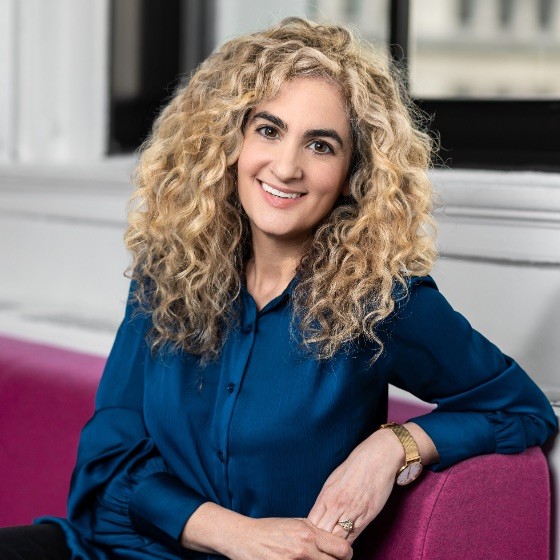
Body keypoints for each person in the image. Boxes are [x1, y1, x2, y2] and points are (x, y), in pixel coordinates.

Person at [0, 16, 556, 560]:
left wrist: (394, 445)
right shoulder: (168, 272)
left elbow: (522, 409)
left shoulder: (382, 300)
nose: (287, 167)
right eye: (269, 130)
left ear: (354, 174)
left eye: (321, 146)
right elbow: (105, 466)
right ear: (230, 141)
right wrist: (237, 535)